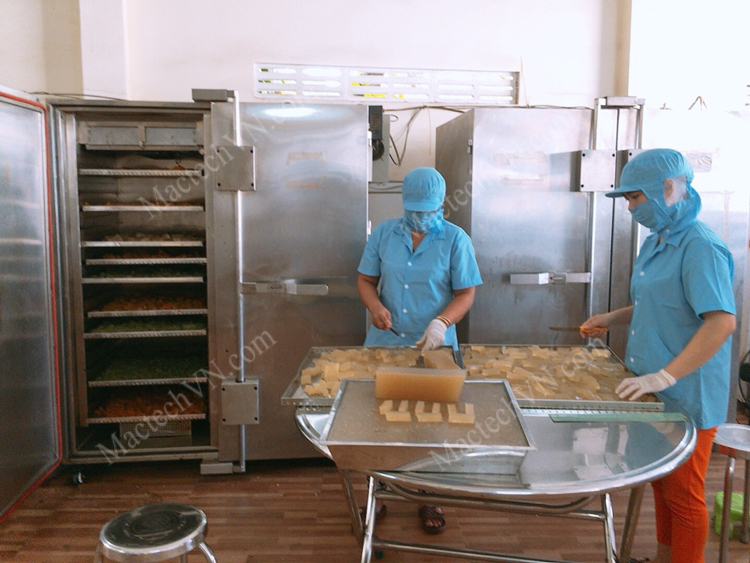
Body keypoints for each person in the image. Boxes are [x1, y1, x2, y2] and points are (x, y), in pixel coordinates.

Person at [580, 149, 736, 563]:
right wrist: (613, 317)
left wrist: (666, 377)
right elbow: (657, 303)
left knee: (684, 494)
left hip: (686, 392)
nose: (631, 208)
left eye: (635, 198)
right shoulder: (659, 243)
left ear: (666, 191)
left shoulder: (701, 247)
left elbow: (720, 323)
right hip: (651, 387)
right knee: (661, 483)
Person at [357, 166, 483, 534]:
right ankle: (377, 491)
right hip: (386, 341)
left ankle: (430, 493)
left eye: (428, 209)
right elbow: (365, 280)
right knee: (378, 420)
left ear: (440, 205)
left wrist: (442, 323)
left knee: (431, 423)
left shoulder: (455, 239)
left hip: (436, 346)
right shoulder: (384, 234)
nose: (421, 216)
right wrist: (374, 307)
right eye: (416, 209)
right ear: (404, 203)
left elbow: (466, 293)